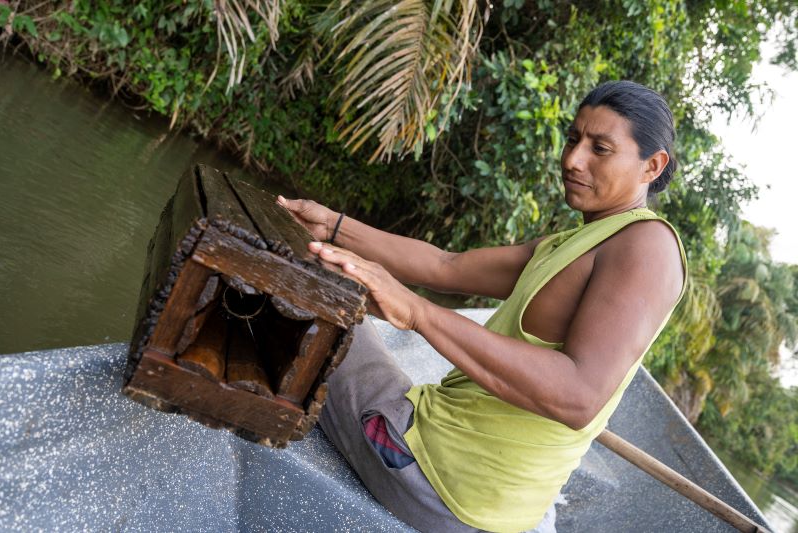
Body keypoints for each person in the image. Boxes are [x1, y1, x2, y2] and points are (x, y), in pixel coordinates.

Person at [277, 80, 687, 533]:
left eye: (600, 149)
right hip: (485, 489)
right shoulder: (578, 242)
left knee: (315, 294)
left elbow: (578, 397)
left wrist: (415, 311)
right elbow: (446, 265)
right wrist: (333, 226)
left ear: (652, 165)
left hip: (437, 480)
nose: (573, 160)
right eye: (573, 139)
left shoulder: (648, 246)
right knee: (335, 283)